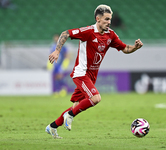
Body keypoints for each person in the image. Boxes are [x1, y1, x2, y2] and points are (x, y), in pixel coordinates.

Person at [46, 4, 143, 139]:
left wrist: (135, 48)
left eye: (110, 19)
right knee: (96, 98)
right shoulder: (88, 31)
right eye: (106, 19)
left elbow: (125, 48)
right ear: (98, 19)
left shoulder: (111, 35)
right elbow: (65, 33)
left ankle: (52, 127)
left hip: (92, 76)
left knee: (76, 106)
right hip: (81, 73)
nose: (109, 22)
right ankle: (69, 115)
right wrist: (57, 51)